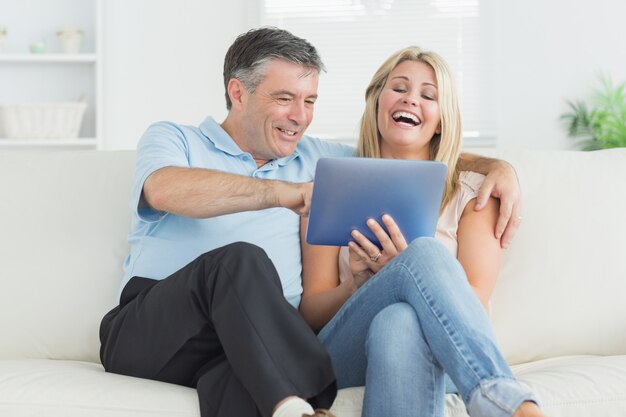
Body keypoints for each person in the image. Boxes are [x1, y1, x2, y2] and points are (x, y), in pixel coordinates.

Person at [99, 27, 524, 417]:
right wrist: (284, 193)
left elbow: (404, 148)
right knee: (240, 261)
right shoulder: (175, 139)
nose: (299, 116)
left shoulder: (319, 158)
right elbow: (164, 190)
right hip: (156, 328)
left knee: (398, 314)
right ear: (238, 92)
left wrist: (498, 166)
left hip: (255, 345)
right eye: (285, 98)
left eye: (310, 102)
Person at [299, 47, 548, 417]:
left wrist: (407, 272)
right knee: (426, 253)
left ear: (442, 119)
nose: (411, 99)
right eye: (399, 88)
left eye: (428, 95)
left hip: (445, 353)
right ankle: (504, 401)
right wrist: (357, 284)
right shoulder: (331, 187)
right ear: (378, 101)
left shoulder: (473, 194)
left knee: (398, 321)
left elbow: (474, 304)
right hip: (345, 354)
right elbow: (311, 313)